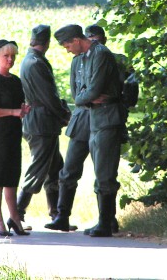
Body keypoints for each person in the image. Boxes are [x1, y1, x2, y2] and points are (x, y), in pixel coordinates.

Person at [52, 24, 125, 237]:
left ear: (76, 40)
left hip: (106, 116)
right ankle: (69, 216)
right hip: (91, 115)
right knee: (73, 169)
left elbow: (93, 90)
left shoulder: (100, 54)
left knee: (104, 173)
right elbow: (78, 94)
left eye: (67, 45)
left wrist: (87, 97)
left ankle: (106, 222)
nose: (67, 50)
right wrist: (86, 98)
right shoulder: (81, 59)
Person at [17, 25, 71, 228]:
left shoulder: (30, 60)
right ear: (47, 43)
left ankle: (57, 216)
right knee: (38, 168)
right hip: (41, 123)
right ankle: (17, 213)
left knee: (55, 168)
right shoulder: (36, 63)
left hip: (40, 122)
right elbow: (49, 96)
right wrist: (64, 114)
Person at [0, 40, 31, 237]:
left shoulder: (16, 81)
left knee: (12, 177)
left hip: (13, 131)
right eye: (6, 56)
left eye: (13, 56)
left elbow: (19, 106)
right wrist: (12, 111)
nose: (10, 59)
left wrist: (23, 111)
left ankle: (15, 218)